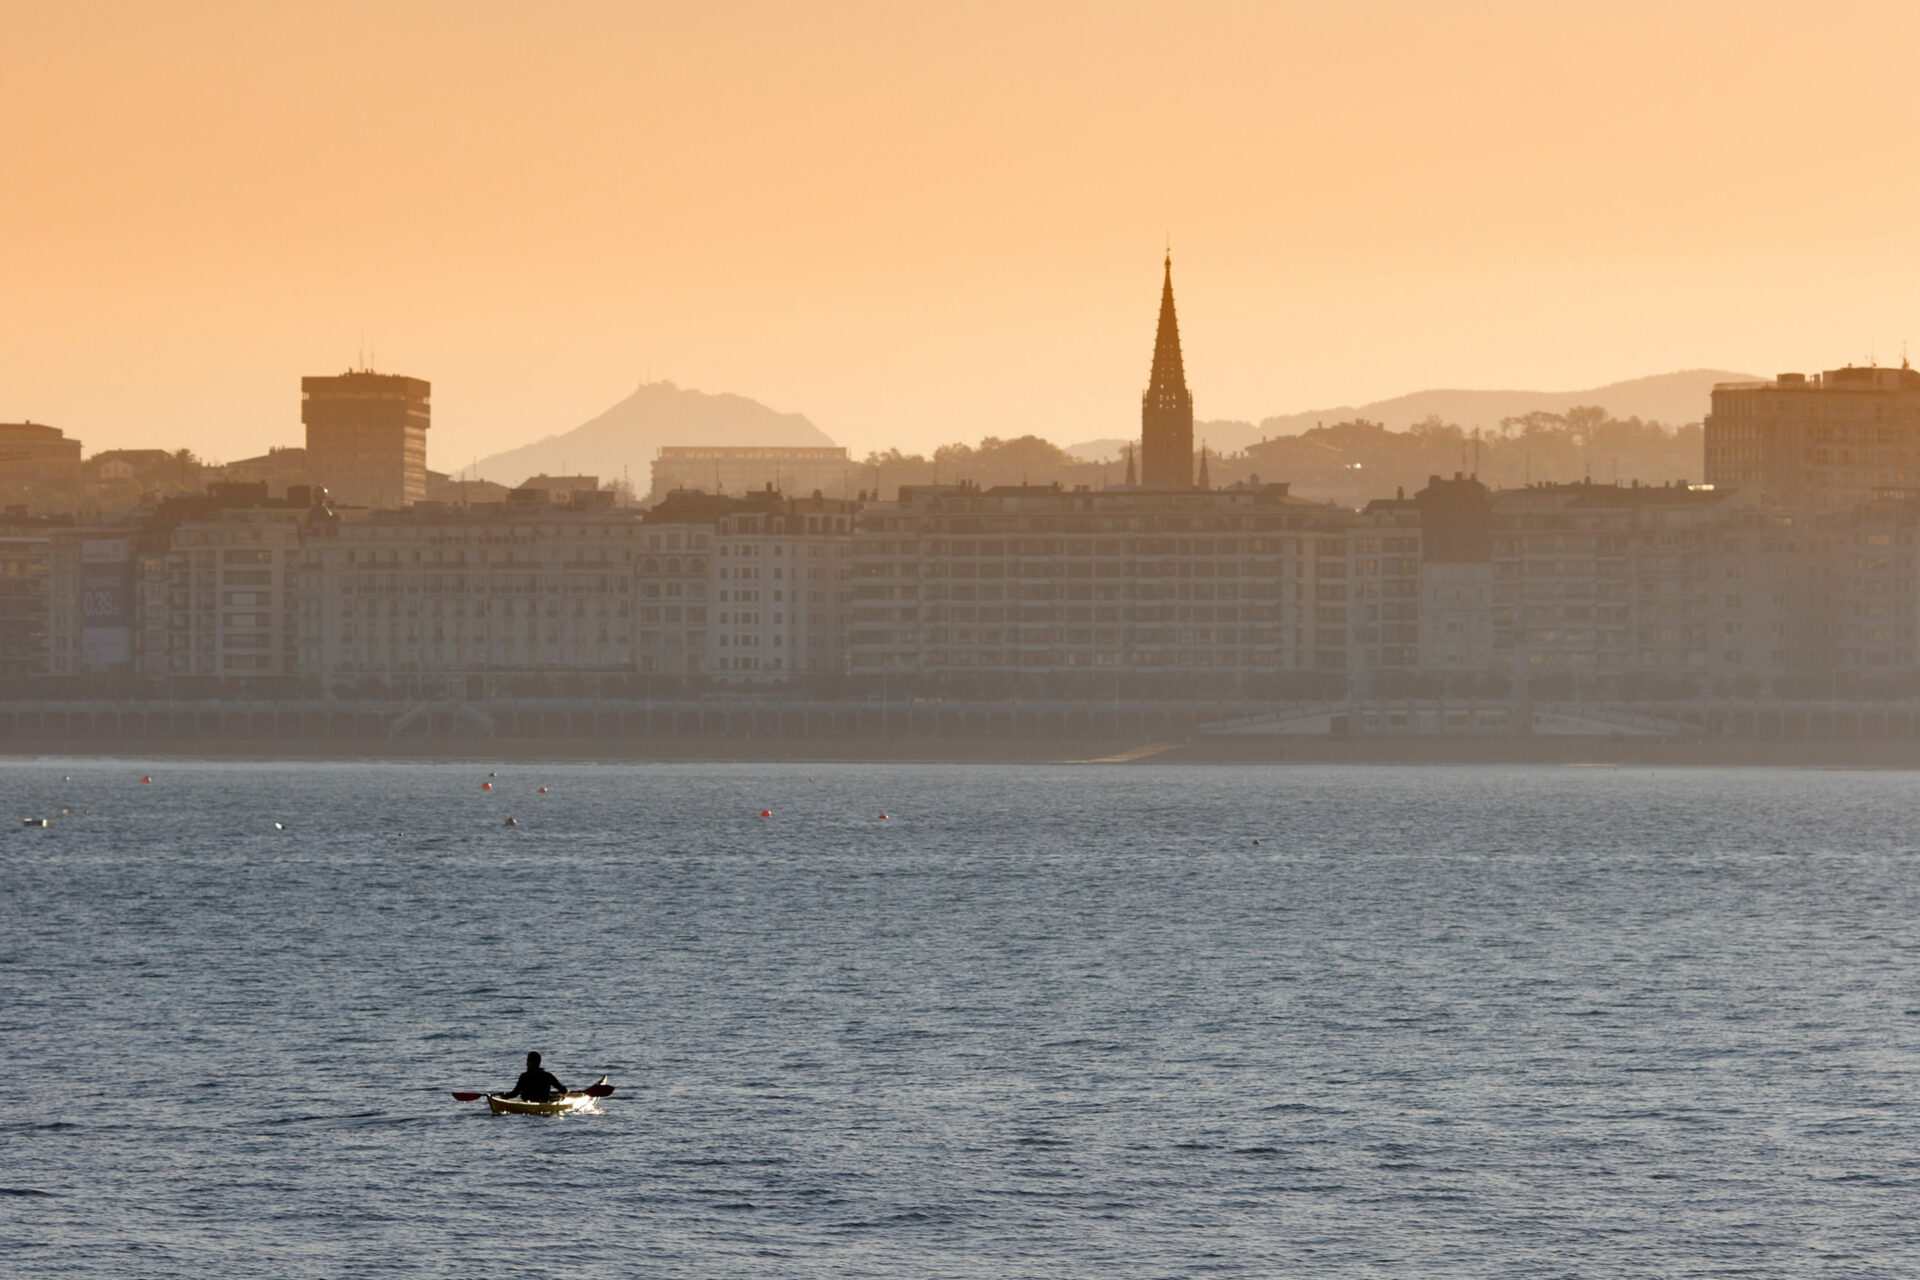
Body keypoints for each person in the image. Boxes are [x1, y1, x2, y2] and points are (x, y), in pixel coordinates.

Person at [500, 1051, 568, 1102]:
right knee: (557, 1097)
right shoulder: (547, 1075)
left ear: (532, 1063)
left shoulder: (524, 1076)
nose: (526, 1064)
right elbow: (562, 1090)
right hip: (543, 1102)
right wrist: (567, 1091)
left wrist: (505, 1096)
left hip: (528, 1102)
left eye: (528, 1061)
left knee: (556, 1096)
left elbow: (514, 1093)